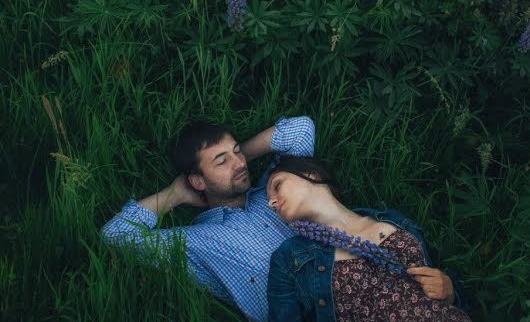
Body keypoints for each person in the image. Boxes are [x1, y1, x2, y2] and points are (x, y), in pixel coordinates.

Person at [101, 115, 315, 321]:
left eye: (236, 151)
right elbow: (116, 234)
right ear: (198, 182)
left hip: (340, 273)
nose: (239, 163)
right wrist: (174, 194)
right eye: (221, 161)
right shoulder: (196, 240)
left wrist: (239, 159)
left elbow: (301, 131)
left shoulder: (271, 190)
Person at [266, 157, 471, 321]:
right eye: (269, 201)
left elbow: (439, 281)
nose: (272, 203)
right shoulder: (287, 259)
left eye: (277, 185)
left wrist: (451, 290)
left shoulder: (394, 220)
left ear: (311, 173)